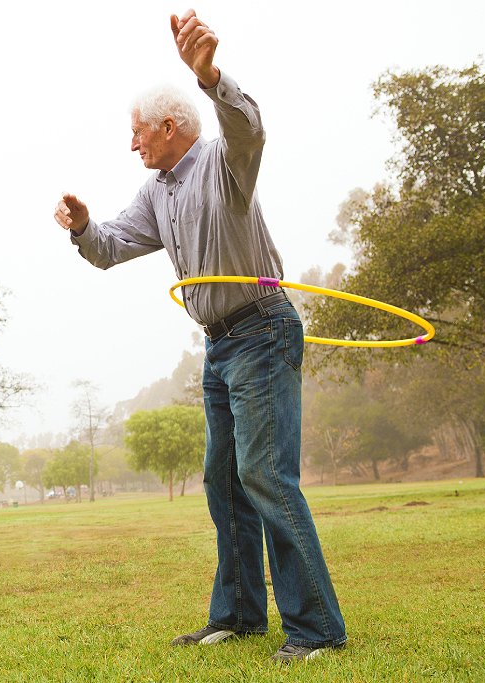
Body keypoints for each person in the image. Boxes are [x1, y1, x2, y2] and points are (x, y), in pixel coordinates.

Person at [53, 10, 347, 663]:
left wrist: (210, 76)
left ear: (168, 127)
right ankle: (240, 614)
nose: (131, 145)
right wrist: (80, 226)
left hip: (263, 328)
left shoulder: (224, 161)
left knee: (265, 473)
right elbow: (108, 247)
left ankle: (317, 627)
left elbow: (250, 126)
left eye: (137, 133)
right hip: (218, 344)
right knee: (223, 480)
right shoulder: (155, 192)